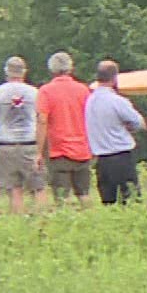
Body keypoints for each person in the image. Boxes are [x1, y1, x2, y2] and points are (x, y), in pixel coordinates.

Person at [0, 56, 47, 215]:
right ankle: (43, 222)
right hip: (30, 144)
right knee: (38, 188)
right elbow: (42, 120)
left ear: (6, 72)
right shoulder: (34, 92)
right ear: (24, 72)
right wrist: (41, 149)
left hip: (6, 146)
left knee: (14, 189)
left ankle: (18, 223)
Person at [38, 51, 94, 207]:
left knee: (62, 196)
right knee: (84, 194)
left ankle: (64, 225)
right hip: (82, 149)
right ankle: (91, 222)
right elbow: (90, 118)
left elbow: (42, 120)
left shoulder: (46, 91)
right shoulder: (83, 90)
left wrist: (39, 151)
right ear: (70, 68)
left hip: (59, 152)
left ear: (52, 70)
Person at [86, 60, 146, 204]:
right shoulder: (117, 101)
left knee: (108, 203)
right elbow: (140, 123)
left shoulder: (90, 101)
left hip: (101, 159)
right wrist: (129, 127)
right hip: (121, 156)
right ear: (114, 78)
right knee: (131, 201)